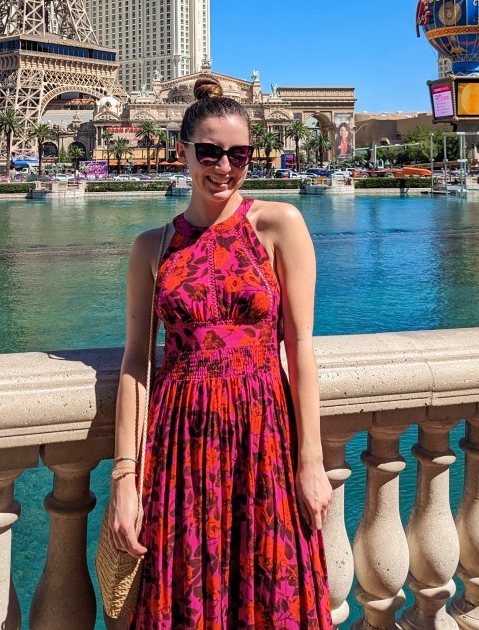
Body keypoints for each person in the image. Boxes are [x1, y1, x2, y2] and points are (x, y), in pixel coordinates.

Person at [106, 74, 333, 629]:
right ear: (183, 151)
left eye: (239, 154)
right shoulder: (151, 247)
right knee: (189, 592)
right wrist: (124, 479)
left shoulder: (278, 224)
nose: (224, 167)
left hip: (265, 435)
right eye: (209, 152)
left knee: (271, 587)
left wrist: (311, 461)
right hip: (180, 441)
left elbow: (300, 346)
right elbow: (137, 362)